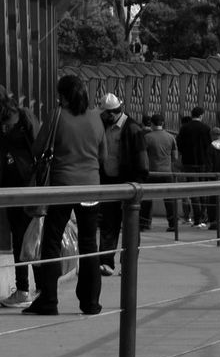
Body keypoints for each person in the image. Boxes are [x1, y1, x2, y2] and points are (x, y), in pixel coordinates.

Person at [23, 74, 105, 316]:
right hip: (91, 187)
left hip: (62, 186)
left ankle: (49, 299)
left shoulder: (57, 116)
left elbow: (38, 148)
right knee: (89, 243)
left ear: (65, 96)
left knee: (51, 241)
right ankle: (90, 302)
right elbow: (104, 156)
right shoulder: (96, 118)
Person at [98, 93, 149, 275]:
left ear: (112, 113)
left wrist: (138, 182)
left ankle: (128, 265)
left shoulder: (133, 129)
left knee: (130, 225)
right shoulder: (104, 125)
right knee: (108, 224)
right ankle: (106, 262)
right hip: (109, 182)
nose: (102, 117)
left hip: (129, 183)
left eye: (105, 114)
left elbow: (142, 159)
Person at [0, 95, 40, 307]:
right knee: (24, 238)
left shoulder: (23, 117)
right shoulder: (15, 118)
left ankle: (26, 288)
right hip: (13, 187)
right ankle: (31, 287)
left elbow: (40, 148)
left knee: (25, 239)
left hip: (25, 186)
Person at [140, 114, 179, 233]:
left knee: (147, 199)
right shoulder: (171, 137)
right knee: (169, 200)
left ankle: (144, 223)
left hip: (151, 172)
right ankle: (173, 224)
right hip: (167, 172)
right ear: (163, 123)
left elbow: (143, 156)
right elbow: (175, 157)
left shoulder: (147, 137)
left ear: (151, 123)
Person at [176, 106, 214, 227]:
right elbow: (209, 146)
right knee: (203, 190)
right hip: (203, 163)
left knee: (193, 190)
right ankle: (203, 216)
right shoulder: (206, 128)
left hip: (188, 163)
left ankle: (197, 218)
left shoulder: (184, 128)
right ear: (201, 115)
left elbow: (179, 145)